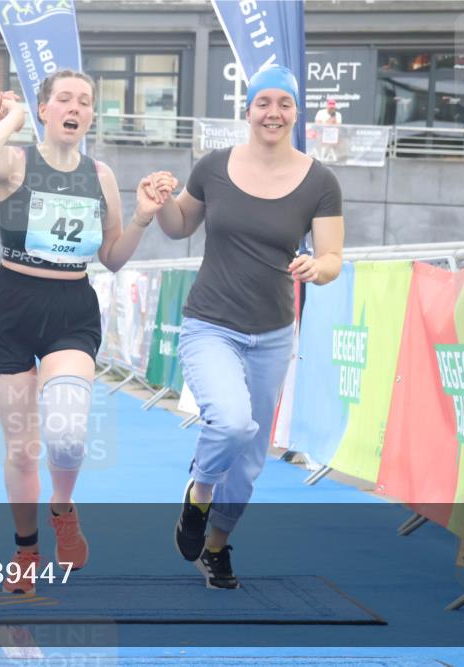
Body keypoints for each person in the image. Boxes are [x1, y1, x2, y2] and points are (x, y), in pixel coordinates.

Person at [0, 70, 175, 595]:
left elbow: (112, 257)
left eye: (84, 101)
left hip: (71, 310)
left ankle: (62, 505)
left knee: (66, 434)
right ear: (44, 109)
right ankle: (26, 548)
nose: (75, 107)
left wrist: (144, 218)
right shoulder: (14, 161)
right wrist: (9, 119)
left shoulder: (101, 175)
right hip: (10, 308)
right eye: (63, 99)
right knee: (20, 449)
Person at [156, 65, 344, 590]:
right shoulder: (213, 167)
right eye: (264, 102)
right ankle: (197, 496)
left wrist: (317, 269)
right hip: (210, 323)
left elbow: (331, 258)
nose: (273, 113)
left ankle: (216, 547)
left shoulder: (320, 181)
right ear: (247, 110)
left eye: (285, 104)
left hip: (274, 333)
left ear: (296, 113)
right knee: (233, 423)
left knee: (250, 465)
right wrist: (158, 204)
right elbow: (178, 227)